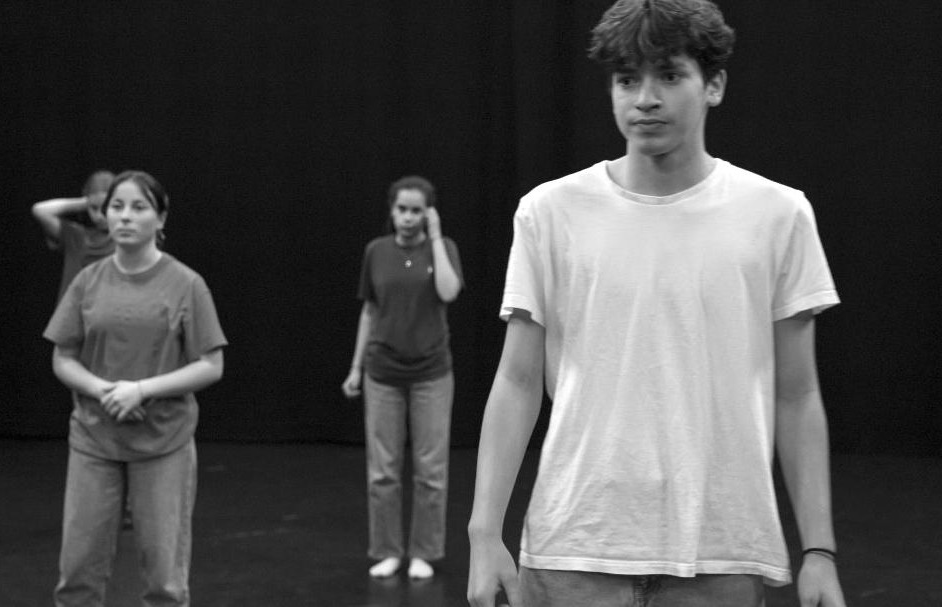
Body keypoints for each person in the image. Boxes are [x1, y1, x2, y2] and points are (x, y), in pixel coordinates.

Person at [467, 1, 846, 606]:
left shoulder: (778, 215)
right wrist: (484, 533)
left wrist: (820, 552)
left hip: (721, 555)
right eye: (627, 79)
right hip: (574, 551)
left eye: (669, 76)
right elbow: (517, 380)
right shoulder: (550, 212)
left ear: (714, 84)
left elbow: (797, 395)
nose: (645, 99)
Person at [43, 170, 227, 606]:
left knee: (165, 582)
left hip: (163, 443)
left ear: (160, 219)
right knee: (77, 574)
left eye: (138, 207)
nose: (125, 216)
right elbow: (63, 357)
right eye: (117, 207)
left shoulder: (186, 284)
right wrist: (103, 390)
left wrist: (141, 390)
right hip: (95, 439)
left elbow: (210, 365)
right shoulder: (88, 280)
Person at [342, 176, 464, 580]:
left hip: (431, 371)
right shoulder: (376, 251)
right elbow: (369, 311)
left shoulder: (443, 248)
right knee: (383, 470)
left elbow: (449, 292)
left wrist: (436, 236)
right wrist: (356, 368)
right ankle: (388, 550)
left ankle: (425, 551)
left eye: (416, 210)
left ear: (428, 213)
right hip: (383, 371)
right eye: (402, 209)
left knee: (431, 469)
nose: (408, 217)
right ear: (392, 211)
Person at [32, 170, 116, 302]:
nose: (99, 216)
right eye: (94, 208)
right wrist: (85, 202)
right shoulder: (76, 236)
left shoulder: (127, 241)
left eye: (105, 207)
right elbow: (40, 210)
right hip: (73, 313)